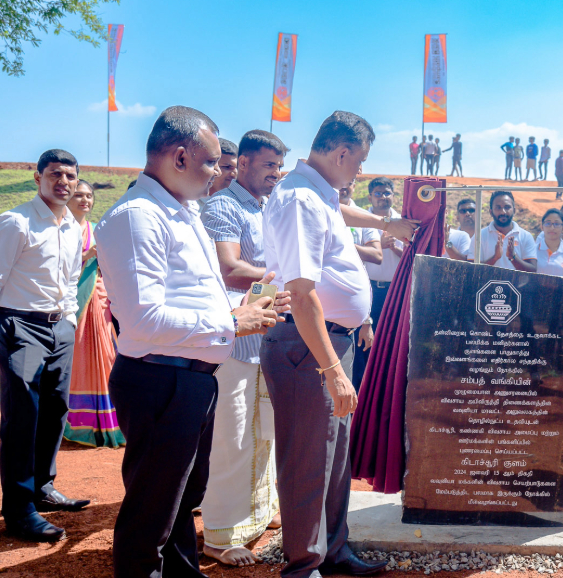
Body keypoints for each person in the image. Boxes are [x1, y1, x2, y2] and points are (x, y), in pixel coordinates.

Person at [96, 106, 284, 577]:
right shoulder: (137, 217)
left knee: (182, 499)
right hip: (161, 378)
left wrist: (240, 315)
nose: (217, 173)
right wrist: (231, 322)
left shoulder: (180, 210)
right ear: (179, 157)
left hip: (192, 376)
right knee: (152, 511)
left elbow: (197, 292)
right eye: (211, 163)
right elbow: (144, 317)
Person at [259, 111, 394, 578]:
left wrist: (360, 315)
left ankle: (334, 552)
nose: (360, 172)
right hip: (306, 349)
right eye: (360, 162)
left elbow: (338, 246)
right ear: (342, 153)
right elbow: (301, 292)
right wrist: (332, 369)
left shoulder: (321, 194)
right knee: (307, 461)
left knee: (335, 458)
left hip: (328, 341)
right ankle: (304, 566)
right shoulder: (300, 199)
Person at [0, 148, 89, 543]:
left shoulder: (73, 226)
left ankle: (43, 486)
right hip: (20, 325)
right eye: (55, 174)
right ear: (36, 176)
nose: (64, 182)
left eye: (70, 177)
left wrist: (69, 321)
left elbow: (71, 281)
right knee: (23, 416)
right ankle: (20, 509)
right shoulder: (15, 222)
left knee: (56, 409)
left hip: (59, 329)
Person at [199, 129, 289, 566]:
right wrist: (286, 279)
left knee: (266, 431)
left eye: (279, 165)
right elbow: (229, 268)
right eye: (270, 165)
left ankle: (260, 512)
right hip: (234, 339)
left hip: (268, 335)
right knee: (233, 437)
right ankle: (220, 535)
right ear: (247, 163)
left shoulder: (269, 207)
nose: (277, 173)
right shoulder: (221, 205)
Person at [62, 179, 124, 449]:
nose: (85, 200)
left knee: (107, 358)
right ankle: (76, 425)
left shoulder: (96, 230)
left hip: (97, 302)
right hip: (70, 305)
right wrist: (86, 255)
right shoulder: (59, 229)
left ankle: (109, 423)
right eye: (78, 195)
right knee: (77, 363)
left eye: (89, 195)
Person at [354, 177, 401, 391]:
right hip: (368, 290)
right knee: (364, 342)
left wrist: (396, 249)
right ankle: (364, 390)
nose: (383, 197)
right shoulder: (361, 219)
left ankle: (386, 391)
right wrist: (378, 246)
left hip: (395, 291)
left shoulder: (403, 221)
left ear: (393, 195)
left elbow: (414, 258)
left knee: (391, 343)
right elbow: (351, 257)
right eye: (378, 193)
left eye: (387, 193)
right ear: (370, 196)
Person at [468, 191, 537, 271]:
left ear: (514, 211)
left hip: (517, 284)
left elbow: (533, 270)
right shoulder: (479, 236)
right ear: (491, 212)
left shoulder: (526, 236)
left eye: (507, 207)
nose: (503, 212)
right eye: (498, 207)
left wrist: (513, 257)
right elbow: (471, 270)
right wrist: (495, 258)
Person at [535, 208, 563, 277]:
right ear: (542, 227)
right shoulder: (533, 251)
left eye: (557, 224)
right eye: (548, 223)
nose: (552, 228)